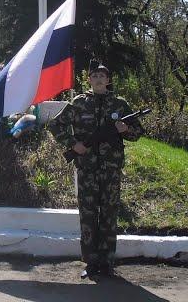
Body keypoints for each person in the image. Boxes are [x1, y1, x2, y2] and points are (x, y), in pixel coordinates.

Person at [48, 61, 143, 279]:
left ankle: (107, 262)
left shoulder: (119, 104)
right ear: (89, 80)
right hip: (87, 169)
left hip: (110, 170)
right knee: (89, 216)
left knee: (109, 215)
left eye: (103, 76)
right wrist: (73, 145)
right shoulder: (79, 103)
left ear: (108, 80)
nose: (99, 79)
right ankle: (90, 263)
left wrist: (126, 129)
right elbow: (55, 125)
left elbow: (138, 132)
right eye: (95, 76)